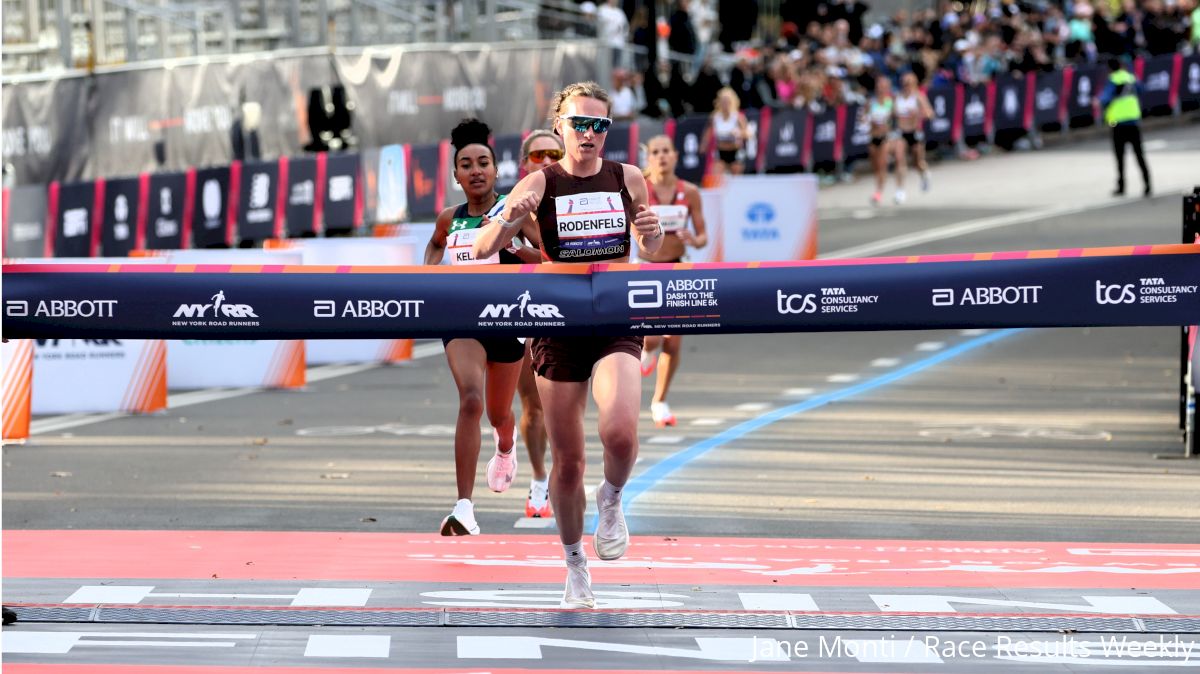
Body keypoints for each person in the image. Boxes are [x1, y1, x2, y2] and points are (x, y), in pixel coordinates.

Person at [473, 81, 663, 608]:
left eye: (600, 125)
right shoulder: (540, 181)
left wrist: (649, 232)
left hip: (617, 317)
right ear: (560, 127)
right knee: (570, 460)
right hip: (557, 325)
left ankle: (614, 497)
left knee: (621, 432)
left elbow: (648, 247)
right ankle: (575, 563)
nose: (590, 134)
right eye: (580, 123)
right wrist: (514, 213)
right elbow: (483, 247)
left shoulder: (628, 178)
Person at [423, 118, 540, 536]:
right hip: (462, 320)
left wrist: (515, 247)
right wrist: (430, 276)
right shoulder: (448, 218)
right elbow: (435, 245)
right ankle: (464, 507)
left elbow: (548, 258)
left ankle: (506, 447)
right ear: (456, 175)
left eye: (483, 163)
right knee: (470, 399)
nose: (475, 170)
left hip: (508, 321)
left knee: (498, 413)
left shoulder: (513, 210)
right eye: (466, 164)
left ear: (496, 170)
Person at [637, 135, 708, 428]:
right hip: (645, 268)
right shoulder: (639, 190)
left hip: (677, 269)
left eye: (666, 151)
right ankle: (645, 349)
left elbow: (703, 238)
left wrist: (693, 238)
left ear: (675, 156)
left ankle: (660, 401)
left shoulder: (689, 192)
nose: (662, 156)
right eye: (656, 152)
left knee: (674, 344)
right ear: (648, 157)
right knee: (653, 336)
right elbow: (632, 233)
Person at [515, 129, 564, 518]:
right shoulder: (511, 204)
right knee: (532, 405)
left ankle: (566, 473)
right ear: (524, 164)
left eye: (553, 154)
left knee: (564, 405)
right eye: (537, 156)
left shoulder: (580, 199)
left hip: (570, 309)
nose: (546, 161)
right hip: (523, 310)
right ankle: (537, 476)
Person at [1099, 57, 1152, 197]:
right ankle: (1148, 185)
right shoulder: (1131, 78)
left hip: (1118, 124)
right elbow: (1142, 89)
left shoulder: (1112, 80)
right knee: (1140, 155)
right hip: (1133, 122)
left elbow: (1104, 99)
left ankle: (1122, 186)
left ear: (1110, 68)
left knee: (1120, 158)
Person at [865, 76, 904, 205]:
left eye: (884, 86)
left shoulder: (891, 101)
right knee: (876, 167)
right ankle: (880, 189)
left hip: (887, 137)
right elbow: (865, 119)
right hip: (873, 137)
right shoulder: (871, 102)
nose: (881, 89)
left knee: (884, 164)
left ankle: (880, 192)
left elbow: (896, 118)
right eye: (879, 86)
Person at [895, 72, 934, 197]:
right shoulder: (898, 97)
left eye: (909, 82)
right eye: (904, 83)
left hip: (915, 132)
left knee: (917, 161)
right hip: (901, 132)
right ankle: (900, 190)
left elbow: (930, 114)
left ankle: (924, 174)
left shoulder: (918, 97)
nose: (906, 85)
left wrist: (918, 113)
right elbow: (891, 114)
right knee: (900, 159)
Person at [704, 87, 753, 176]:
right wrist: (704, 147)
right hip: (720, 151)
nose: (725, 104)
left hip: (735, 151)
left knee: (736, 177)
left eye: (727, 101)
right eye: (723, 101)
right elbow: (707, 134)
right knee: (716, 176)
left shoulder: (738, 117)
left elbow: (749, 134)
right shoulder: (715, 117)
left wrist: (738, 133)